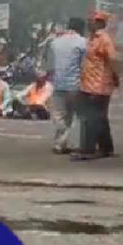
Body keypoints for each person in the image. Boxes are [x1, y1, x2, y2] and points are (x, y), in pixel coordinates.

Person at [73, 11, 119, 161]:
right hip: (88, 84)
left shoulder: (104, 39)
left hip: (99, 85)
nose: (89, 23)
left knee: (91, 118)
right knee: (99, 118)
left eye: (92, 21)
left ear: (100, 23)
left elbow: (112, 60)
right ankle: (106, 148)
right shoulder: (91, 39)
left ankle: (88, 150)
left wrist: (115, 77)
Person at [47, 17, 87, 154]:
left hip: (58, 84)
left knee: (59, 115)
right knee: (73, 116)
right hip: (75, 85)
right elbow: (85, 65)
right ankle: (66, 143)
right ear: (81, 28)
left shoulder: (55, 42)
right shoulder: (83, 43)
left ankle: (60, 143)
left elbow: (50, 65)